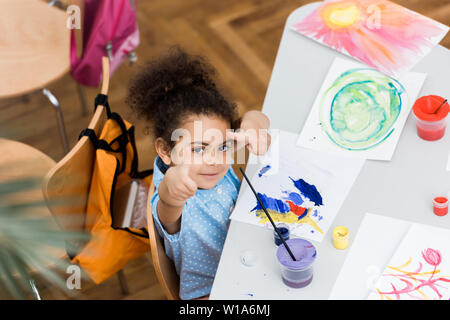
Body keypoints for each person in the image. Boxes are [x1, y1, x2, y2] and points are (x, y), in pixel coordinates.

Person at [126, 46, 271, 299]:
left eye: (223, 145)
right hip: (212, 292)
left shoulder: (210, 159)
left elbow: (258, 116)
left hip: (250, 257)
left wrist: (251, 127)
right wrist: (173, 188)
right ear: (165, 151)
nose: (214, 160)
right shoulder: (176, 197)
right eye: (198, 150)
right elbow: (167, 201)